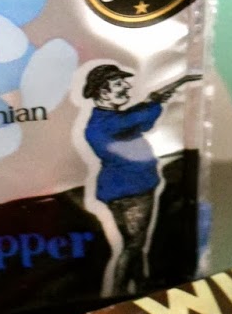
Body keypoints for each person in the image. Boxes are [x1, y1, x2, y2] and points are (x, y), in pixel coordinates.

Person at [81, 62, 198, 296]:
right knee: (134, 246)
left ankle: (141, 286)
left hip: (122, 190)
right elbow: (138, 118)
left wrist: (158, 97)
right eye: (118, 84)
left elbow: (141, 121)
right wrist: (155, 101)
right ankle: (117, 294)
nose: (126, 87)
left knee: (133, 243)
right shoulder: (106, 124)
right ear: (103, 92)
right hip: (133, 190)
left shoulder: (107, 119)